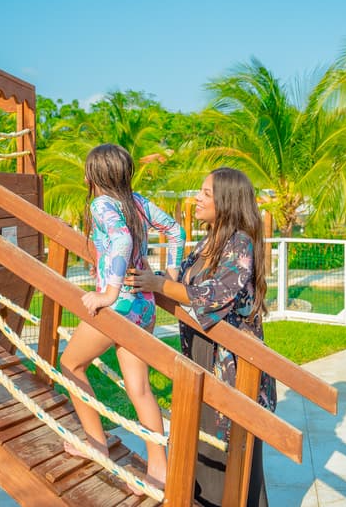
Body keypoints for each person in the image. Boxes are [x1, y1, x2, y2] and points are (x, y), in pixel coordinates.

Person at [127, 167, 277, 507]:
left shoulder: (240, 242)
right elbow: (186, 286)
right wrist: (160, 279)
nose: (197, 197)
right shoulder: (209, 239)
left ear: (226, 200)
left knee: (224, 448)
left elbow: (214, 294)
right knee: (200, 442)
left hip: (232, 367)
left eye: (206, 193)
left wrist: (159, 285)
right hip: (201, 353)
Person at [59, 144, 185, 493]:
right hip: (144, 307)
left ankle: (95, 444)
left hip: (121, 306)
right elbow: (175, 230)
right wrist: (169, 275)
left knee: (70, 364)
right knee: (139, 388)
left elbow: (120, 238)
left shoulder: (101, 204)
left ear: (93, 176)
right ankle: (159, 469)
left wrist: (108, 294)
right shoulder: (136, 202)